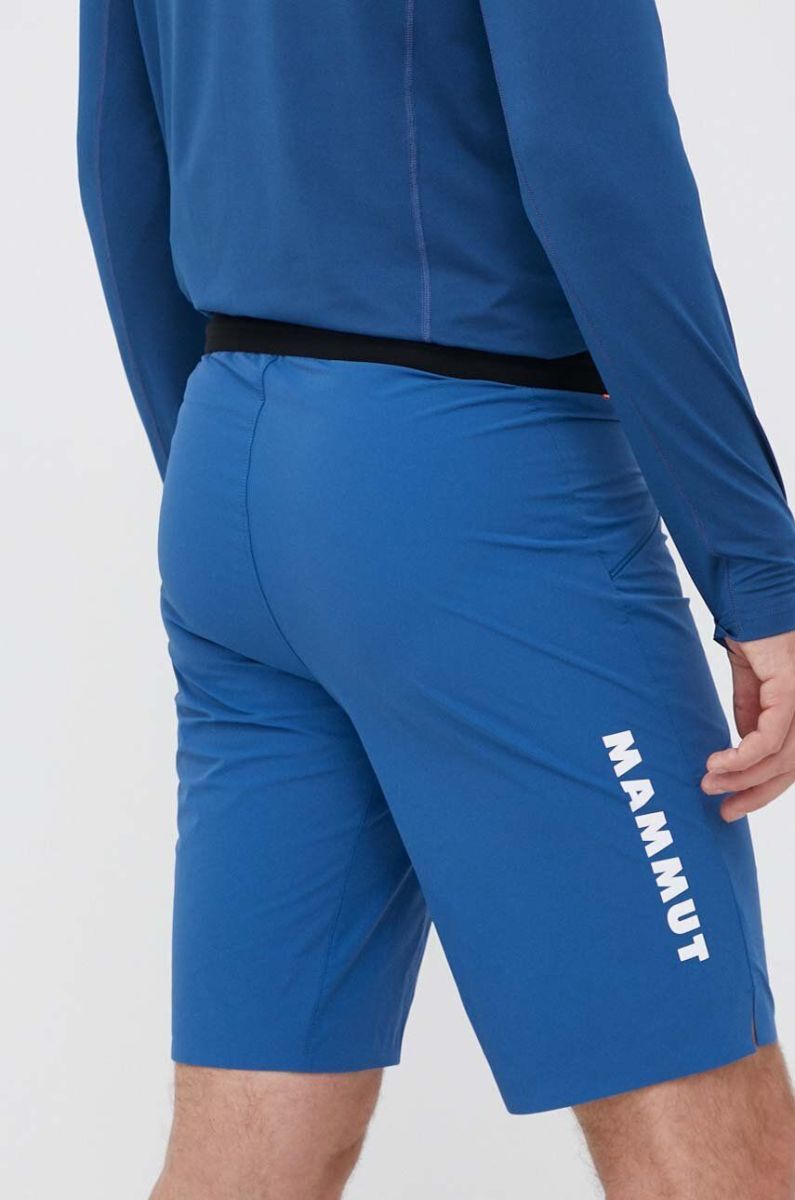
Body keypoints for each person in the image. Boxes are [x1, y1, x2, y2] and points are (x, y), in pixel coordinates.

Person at [77, 0, 795, 1195]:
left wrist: (239, 488)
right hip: (476, 484)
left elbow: (119, 160)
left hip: (230, 465)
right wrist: (755, 567)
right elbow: (596, 168)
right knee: (704, 1113)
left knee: (252, 1140)